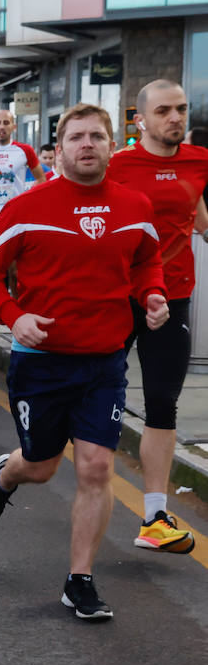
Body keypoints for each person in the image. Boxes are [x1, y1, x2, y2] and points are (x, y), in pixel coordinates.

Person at [0, 103, 167, 621]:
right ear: (58, 150)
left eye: (97, 136)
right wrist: (14, 316)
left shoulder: (134, 206)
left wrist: (152, 294)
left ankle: (79, 580)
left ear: (111, 145)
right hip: (41, 363)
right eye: (77, 137)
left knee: (97, 467)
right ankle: (4, 477)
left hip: (104, 363)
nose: (88, 144)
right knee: (40, 465)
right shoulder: (26, 207)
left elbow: (147, 261)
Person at [106, 78, 208, 554]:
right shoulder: (116, 165)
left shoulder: (199, 162)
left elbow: (196, 213)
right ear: (140, 119)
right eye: (164, 110)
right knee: (87, 395)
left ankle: (154, 517)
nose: (175, 118)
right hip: (116, 299)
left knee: (162, 404)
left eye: (182, 110)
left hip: (175, 298)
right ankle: (24, 465)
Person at [0, 108, 45, 218]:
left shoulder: (25, 150)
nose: (2, 127)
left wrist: (27, 199)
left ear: (14, 127)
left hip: (14, 211)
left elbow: (41, 178)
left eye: (6, 123)